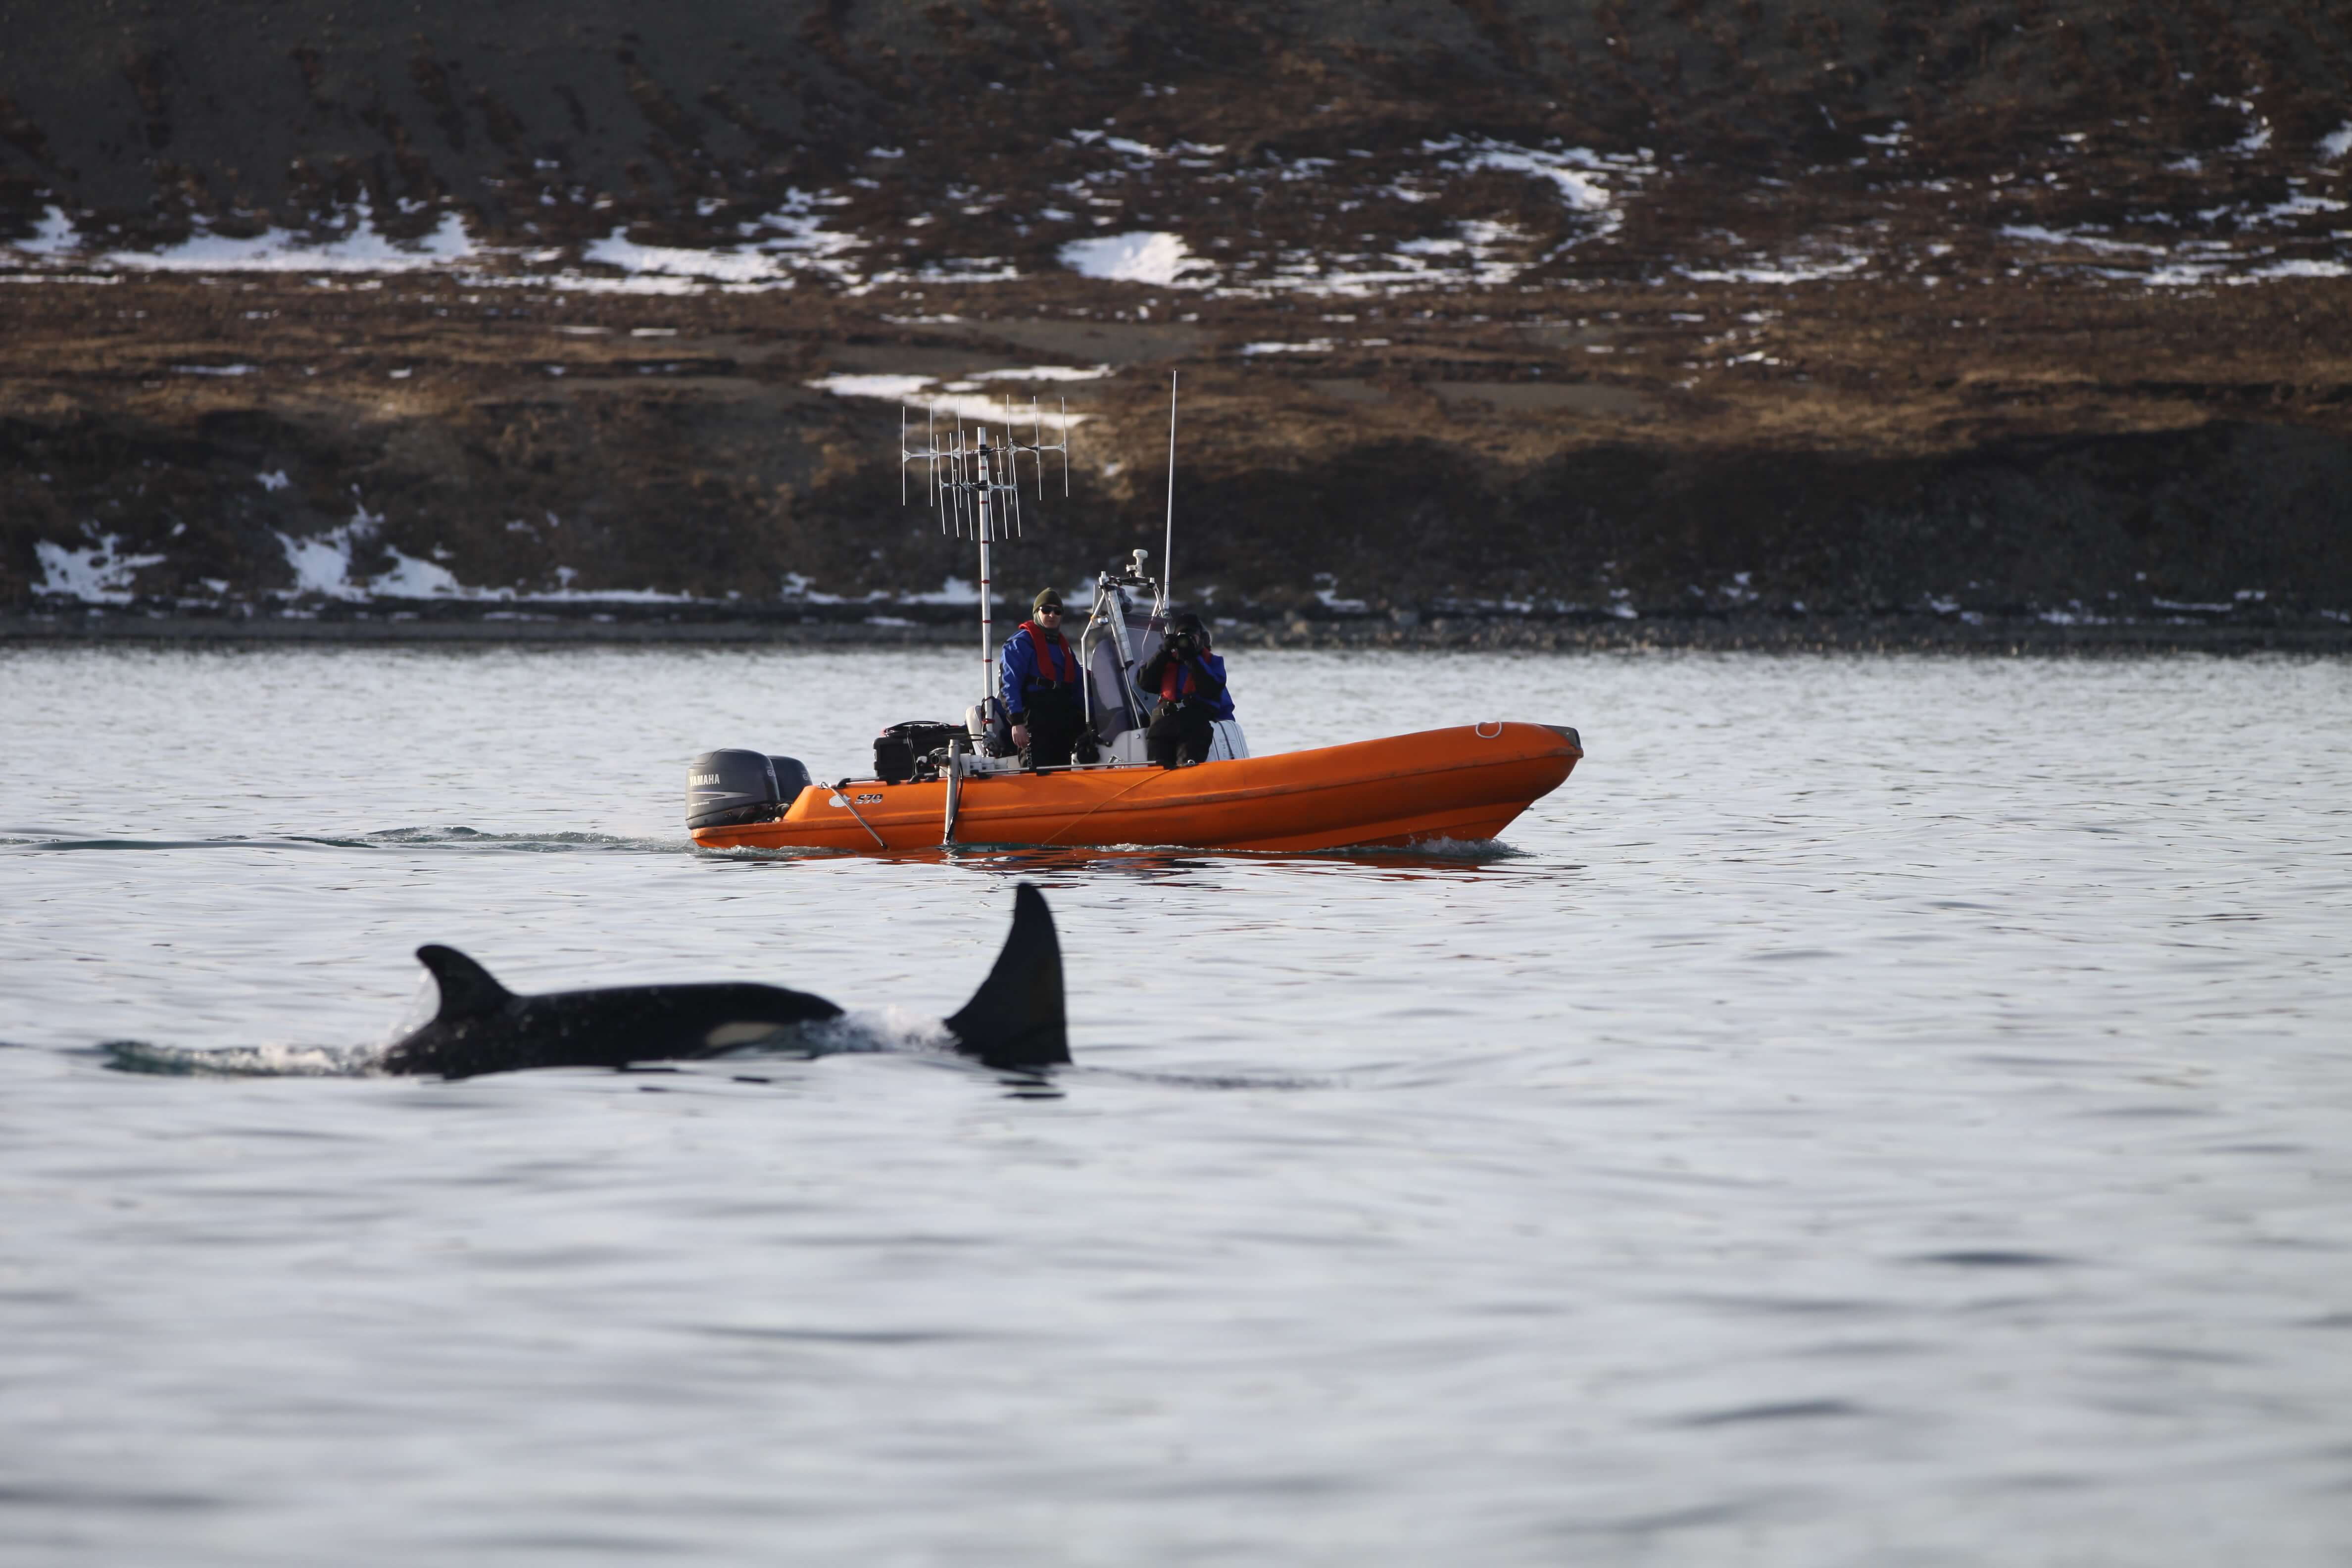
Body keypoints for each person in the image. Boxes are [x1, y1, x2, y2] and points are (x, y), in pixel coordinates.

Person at [1001, 588, 1092, 769]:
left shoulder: (1063, 647)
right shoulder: (1020, 643)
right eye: (1046, 610)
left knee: (1065, 764)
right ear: (1037, 613)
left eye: (1057, 611)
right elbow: (1009, 684)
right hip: (1035, 713)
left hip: (1062, 711)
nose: (1052, 615)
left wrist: (1091, 718)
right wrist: (1017, 722)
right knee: (1037, 765)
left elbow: (1077, 683)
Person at [1136, 611, 1232, 769]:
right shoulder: (1167, 660)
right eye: (1182, 636)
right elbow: (1145, 683)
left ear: (1202, 639)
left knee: (1187, 765)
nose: (1186, 641)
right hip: (1163, 722)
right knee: (1157, 768)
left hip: (1194, 723)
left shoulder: (1212, 663)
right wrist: (1163, 652)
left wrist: (1192, 658)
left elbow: (1212, 689)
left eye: (1192, 637)